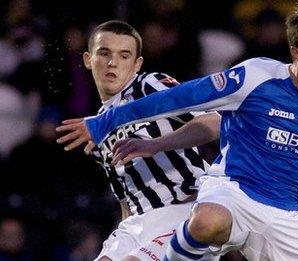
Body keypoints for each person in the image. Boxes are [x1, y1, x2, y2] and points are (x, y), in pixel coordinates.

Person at [57, 1, 298, 260]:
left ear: (137, 63)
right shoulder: (256, 77)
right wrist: (103, 123)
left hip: (242, 210)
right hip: (218, 199)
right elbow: (126, 197)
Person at [56, 20, 221, 261]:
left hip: (185, 212)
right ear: (88, 59)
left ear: (137, 64)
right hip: (138, 224)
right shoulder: (96, 128)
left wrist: (157, 145)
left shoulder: (149, 86)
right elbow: (126, 198)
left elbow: (214, 122)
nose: (113, 63)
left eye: (124, 56)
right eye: (104, 53)